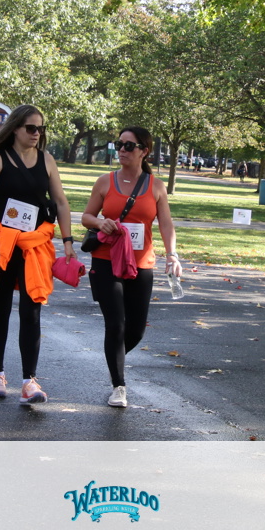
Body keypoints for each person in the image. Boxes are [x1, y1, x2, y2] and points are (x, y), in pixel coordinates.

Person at [0, 104, 75, 404]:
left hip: (34, 245)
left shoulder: (47, 160)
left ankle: (29, 381)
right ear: (15, 129)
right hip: (3, 243)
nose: (37, 133)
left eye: (41, 128)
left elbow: (61, 202)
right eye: (31, 128)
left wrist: (68, 240)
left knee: (31, 309)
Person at [81, 126, 182, 409]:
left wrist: (172, 255)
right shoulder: (105, 181)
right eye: (119, 144)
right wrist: (100, 222)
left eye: (128, 145)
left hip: (141, 263)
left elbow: (165, 224)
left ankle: (113, 357)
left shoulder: (156, 187)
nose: (122, 150)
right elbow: (86, 216)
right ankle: (119, 386)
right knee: (115, 323)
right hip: (106, 260)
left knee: (136, 330)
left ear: (144, 151)